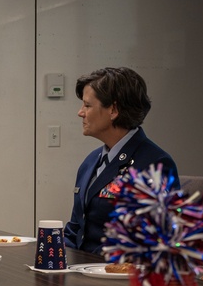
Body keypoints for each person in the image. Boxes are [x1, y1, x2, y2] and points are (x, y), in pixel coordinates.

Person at [65, 67, 179, 254]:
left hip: (117, 275)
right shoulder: (91, 161)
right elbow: (75, 230)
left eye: (87, 105)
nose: (80, 113)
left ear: (113, 110)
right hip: (82, 269)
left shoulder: (154, 164)